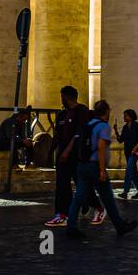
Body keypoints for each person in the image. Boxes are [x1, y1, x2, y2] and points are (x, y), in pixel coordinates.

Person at [67, 100, 138, 240]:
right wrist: (102, 170)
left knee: (79, 197)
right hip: (94, 166)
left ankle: (71, 226)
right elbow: (101, 147)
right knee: (108, 198)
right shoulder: (103, 126)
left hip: (82, 165)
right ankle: (120, 226)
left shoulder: (89, 124)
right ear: (107, 111)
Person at [45, 85, 103, 229]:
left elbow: (79, 134)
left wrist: (67, 151)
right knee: (62, 186)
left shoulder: (82, 112)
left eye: (62, 97)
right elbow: (57, 135)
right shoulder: (61, 115)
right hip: (62, 158)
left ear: (65, 96)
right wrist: (49, 153)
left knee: (82, 184)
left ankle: (98, 207)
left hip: (77, 156)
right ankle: (62, 214)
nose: (61, 100)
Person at [114, 108, 138, 200]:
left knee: (129, 170)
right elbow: (121, 140)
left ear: (131, 116)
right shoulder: (125, 127)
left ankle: (125, 191)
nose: (124, 117)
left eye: (126, 115)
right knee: (133, 171)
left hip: (137, 152)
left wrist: (134, 150)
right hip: (128, 152)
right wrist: (116, 131)